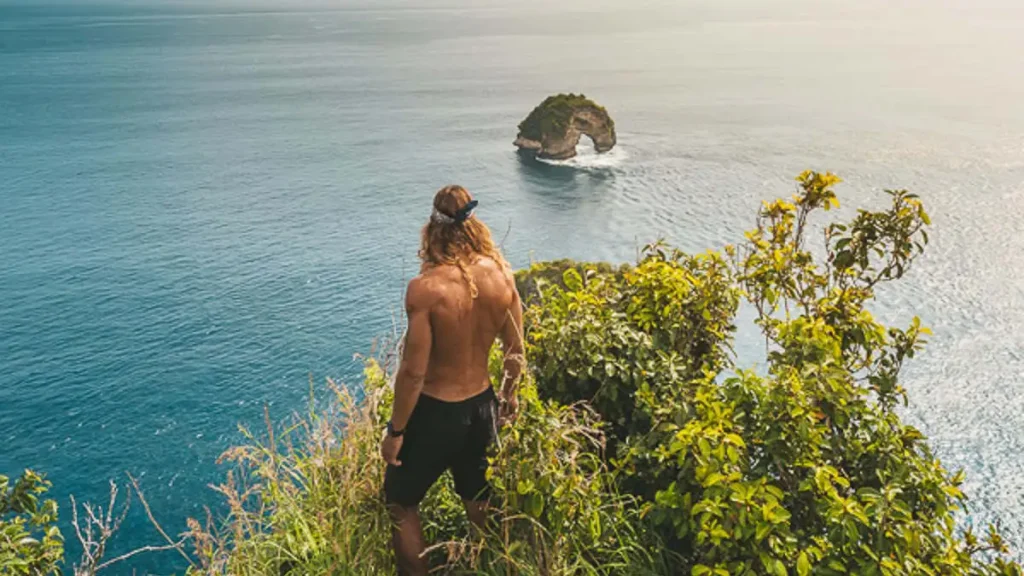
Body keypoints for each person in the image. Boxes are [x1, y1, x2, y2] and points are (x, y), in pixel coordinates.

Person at [380, 184, 524, 576]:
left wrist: (396, 431)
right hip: (482, 408)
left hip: (434, 413)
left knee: (401, 502)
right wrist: (508, 401)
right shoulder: (502, 276)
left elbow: (413, 373)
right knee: (479, 499)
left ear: (433, 229)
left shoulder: (425, 290)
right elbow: (516, 354)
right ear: (474, 224)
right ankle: (489, 567)